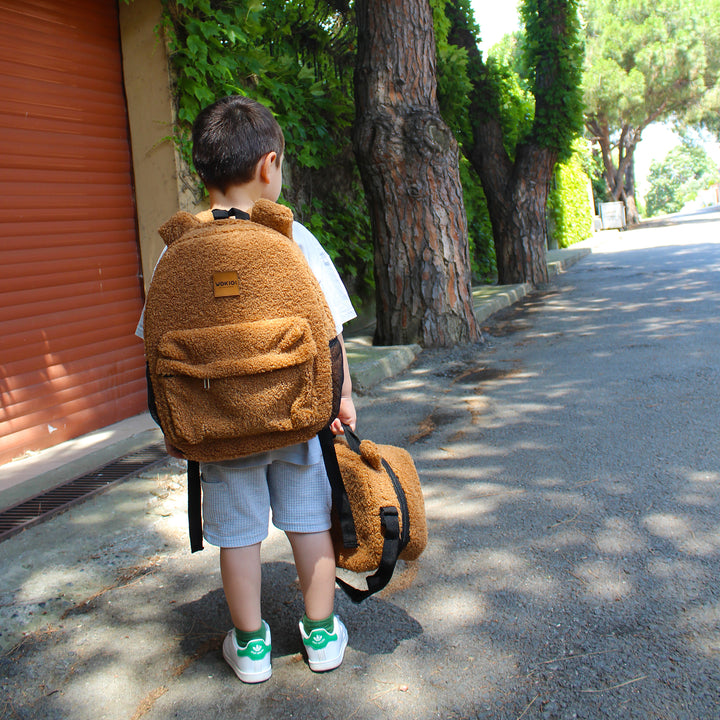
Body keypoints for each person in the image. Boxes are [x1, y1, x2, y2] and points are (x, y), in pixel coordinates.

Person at [139, 95, 357, 683]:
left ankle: (251, 646)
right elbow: (328, 330)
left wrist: (172, 425)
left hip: (215, 425)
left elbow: (154, 343)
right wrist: (342, 399)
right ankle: (320, 636)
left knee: (237, 538)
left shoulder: (175, 251)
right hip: (295, 415)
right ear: (269, 166)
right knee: (310, 523)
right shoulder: (291, 238)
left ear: (202, 171)